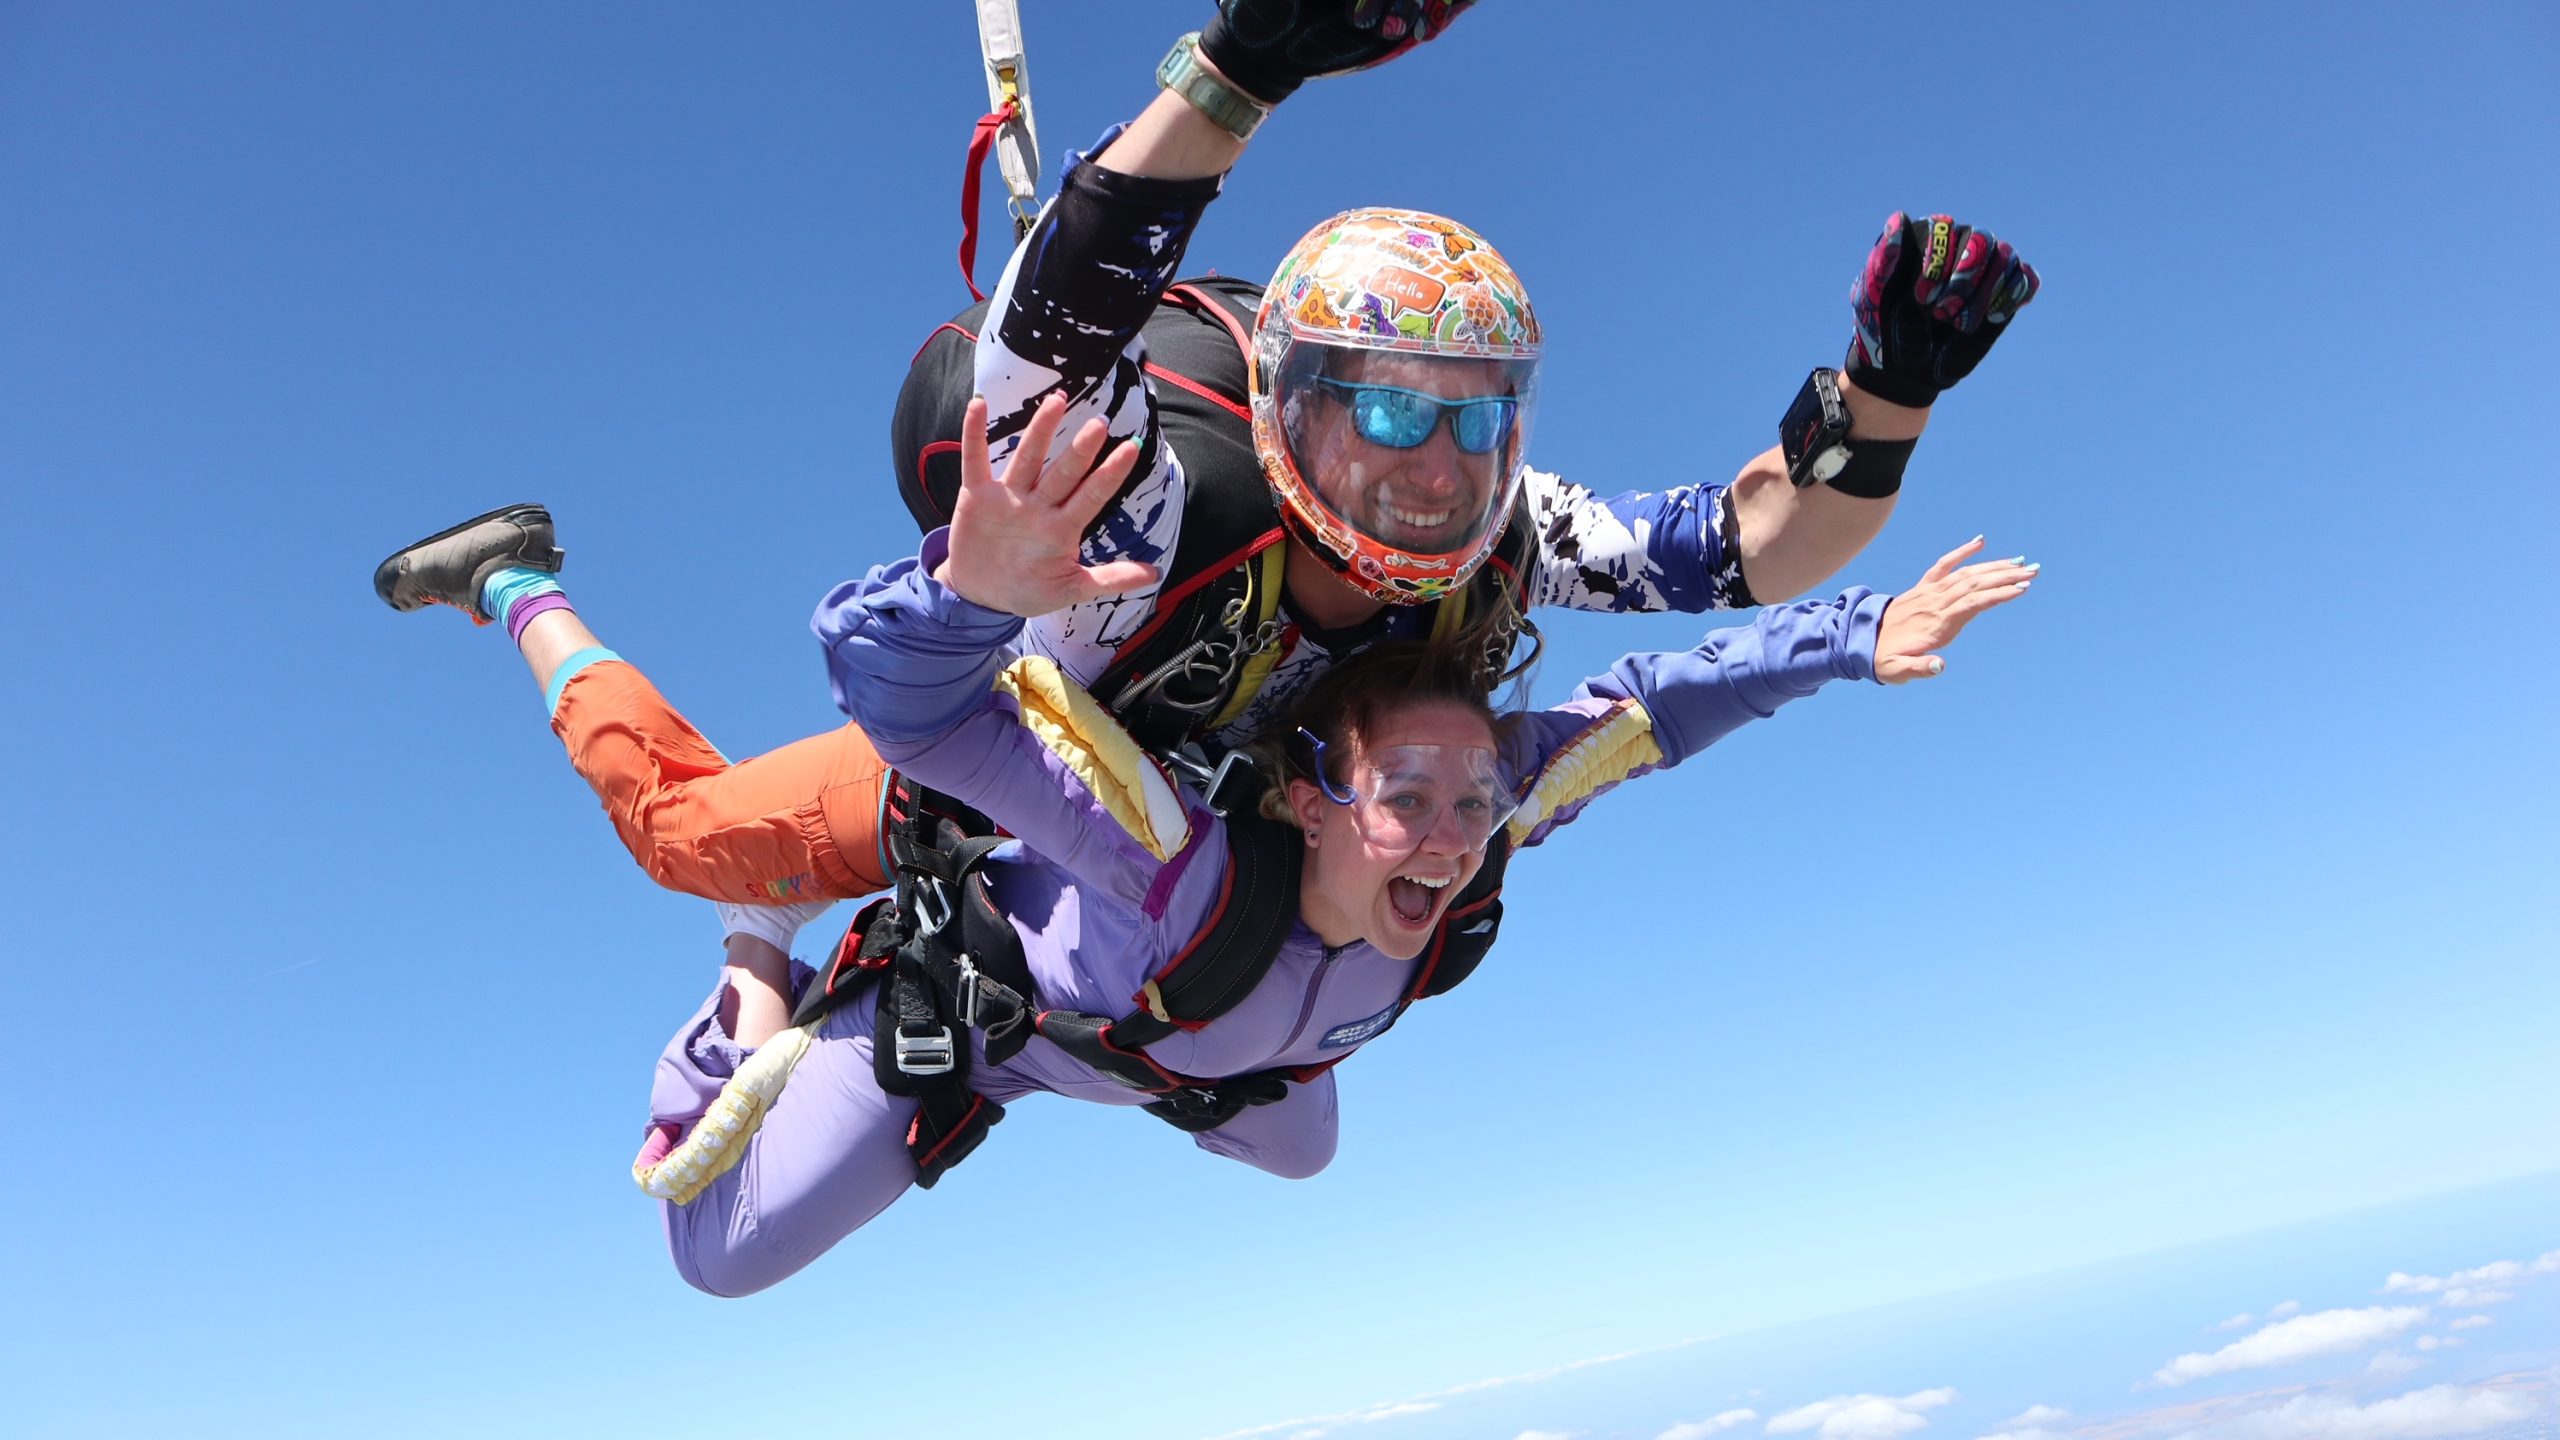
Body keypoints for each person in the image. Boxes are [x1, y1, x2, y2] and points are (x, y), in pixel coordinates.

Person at [372, 0, 2038, 917]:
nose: (1432, 463)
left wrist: (1890, 397)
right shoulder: (1169, 489)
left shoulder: (1498, 528)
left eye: (1471, 411)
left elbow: (1746, 552)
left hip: (1183, 839)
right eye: (1382, 406)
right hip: (978, 770)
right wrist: (1237, 71)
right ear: (1290, 402)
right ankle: (521, 588)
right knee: (687, 844)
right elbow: (1041, 347)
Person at [629, 387, 2038, 1297]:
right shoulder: (1164, 856)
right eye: (1406, 804)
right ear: (1310, 798)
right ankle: (752, 951)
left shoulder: (1488, 813)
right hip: (996, 1020)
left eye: (1472, 805)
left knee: (1309, 1148)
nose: (1445, 844)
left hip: (1216, 1052)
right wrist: (967, 590)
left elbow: (1661, 707)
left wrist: (1854, 638)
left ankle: (1198, 1068)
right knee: (719, 1252)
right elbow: (914, 711)